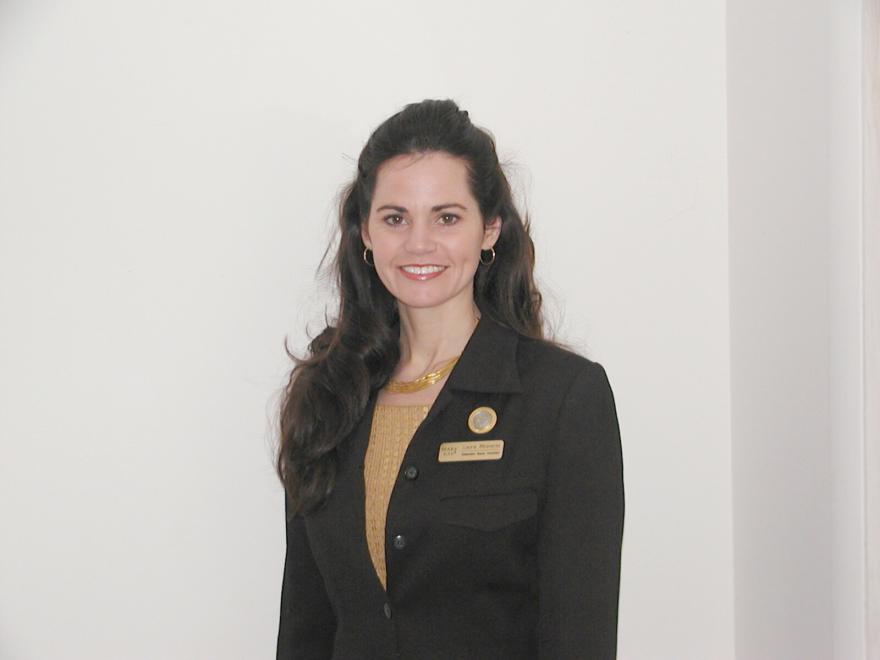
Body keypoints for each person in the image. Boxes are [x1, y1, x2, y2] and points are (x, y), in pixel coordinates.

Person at [275, 99, 624, 659]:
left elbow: (579, 637)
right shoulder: (328, 390)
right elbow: (305, 625)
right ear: (365, 232)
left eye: (447, 217)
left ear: (490, 229)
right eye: (395, 218)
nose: (419, 243)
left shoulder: (562, 398)